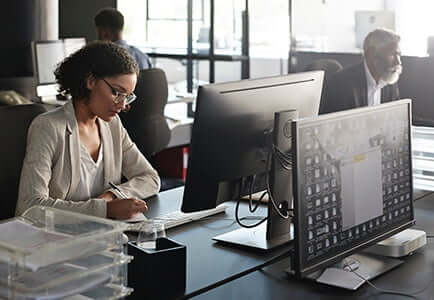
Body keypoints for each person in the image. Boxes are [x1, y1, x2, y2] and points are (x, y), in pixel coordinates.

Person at [16, 41, 160, 220]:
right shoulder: (48, 127)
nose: (123, 105)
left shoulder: (112, 125)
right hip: (57, 240)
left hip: (105, 237)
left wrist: (112, 196)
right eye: (117, 92)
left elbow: (150, 178)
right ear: (90, 81)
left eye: (127, 96)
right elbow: (29, 206)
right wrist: (105, 210)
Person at [320, 28, 402, 114]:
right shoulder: (341, 83)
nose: (398, 62)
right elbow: (338, 125)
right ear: (371, 53)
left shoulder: (389, 78)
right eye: (392, 54)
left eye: (399, 55)